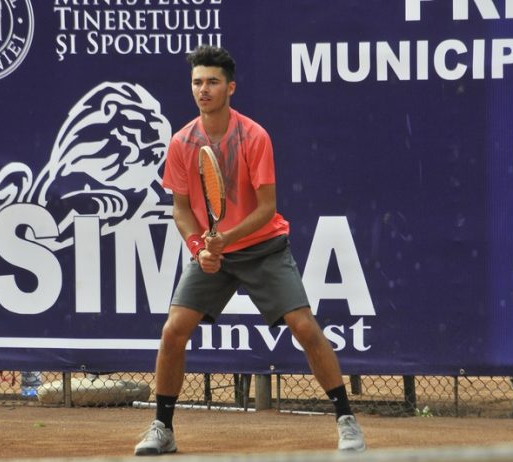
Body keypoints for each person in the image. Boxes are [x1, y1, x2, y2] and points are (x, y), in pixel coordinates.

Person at [134, 45, 366, 456]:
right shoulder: (182, 142)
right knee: (173, 332)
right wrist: (199, 248)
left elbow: (266, 209)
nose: (203, 90)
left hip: (264, 249)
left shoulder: (254, 136)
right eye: (197, 82)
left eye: (212, 82)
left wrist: (226, 237)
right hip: (214, 257)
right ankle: (163, 428)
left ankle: (346, 420)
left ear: (230, 88)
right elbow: (181, 209)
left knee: (305, 328)